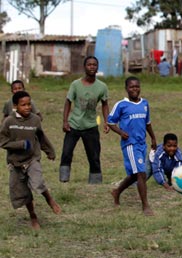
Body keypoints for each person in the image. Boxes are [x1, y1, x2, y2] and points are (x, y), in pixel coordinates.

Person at [0, 91, 61, 230]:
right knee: (24, 193)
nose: (27, 107)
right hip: (16, 163)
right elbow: (2, 141)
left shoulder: (35, 120)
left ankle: (49, 199)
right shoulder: (9, 121)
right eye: (23, 105)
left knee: (37, 182)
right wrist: (20, 144)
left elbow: (41, 137)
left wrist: (49, 151)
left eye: (29, 104)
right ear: (15, 106)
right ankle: (33, 216)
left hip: (32, 158)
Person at [109, 76, 157, 216]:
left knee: (135, 174)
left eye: (137, 86)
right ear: (126, 89)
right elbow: (111, 122)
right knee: (141, 174)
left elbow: (147, 123)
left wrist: (153, 138)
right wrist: (121, 132)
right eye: (131, 87)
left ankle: (117, 192)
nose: (134, 89)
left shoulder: (145, 104)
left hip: (142, 143)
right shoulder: (121, 105)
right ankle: (145, 206)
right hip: (130, 144)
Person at [59, 56, 110, 184]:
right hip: (74, 125)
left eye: (94, 65)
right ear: (84, 67)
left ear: (97, 68)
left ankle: (95, 181)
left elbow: (105, 104)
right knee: (66, 152)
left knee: (94, 156)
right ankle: (64, 179)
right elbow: (68, 102)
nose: (92, 67)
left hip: (91, 126)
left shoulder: (102, 87)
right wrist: (65, 121)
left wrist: (107, 121)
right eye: (89, 64)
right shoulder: (75, 85)